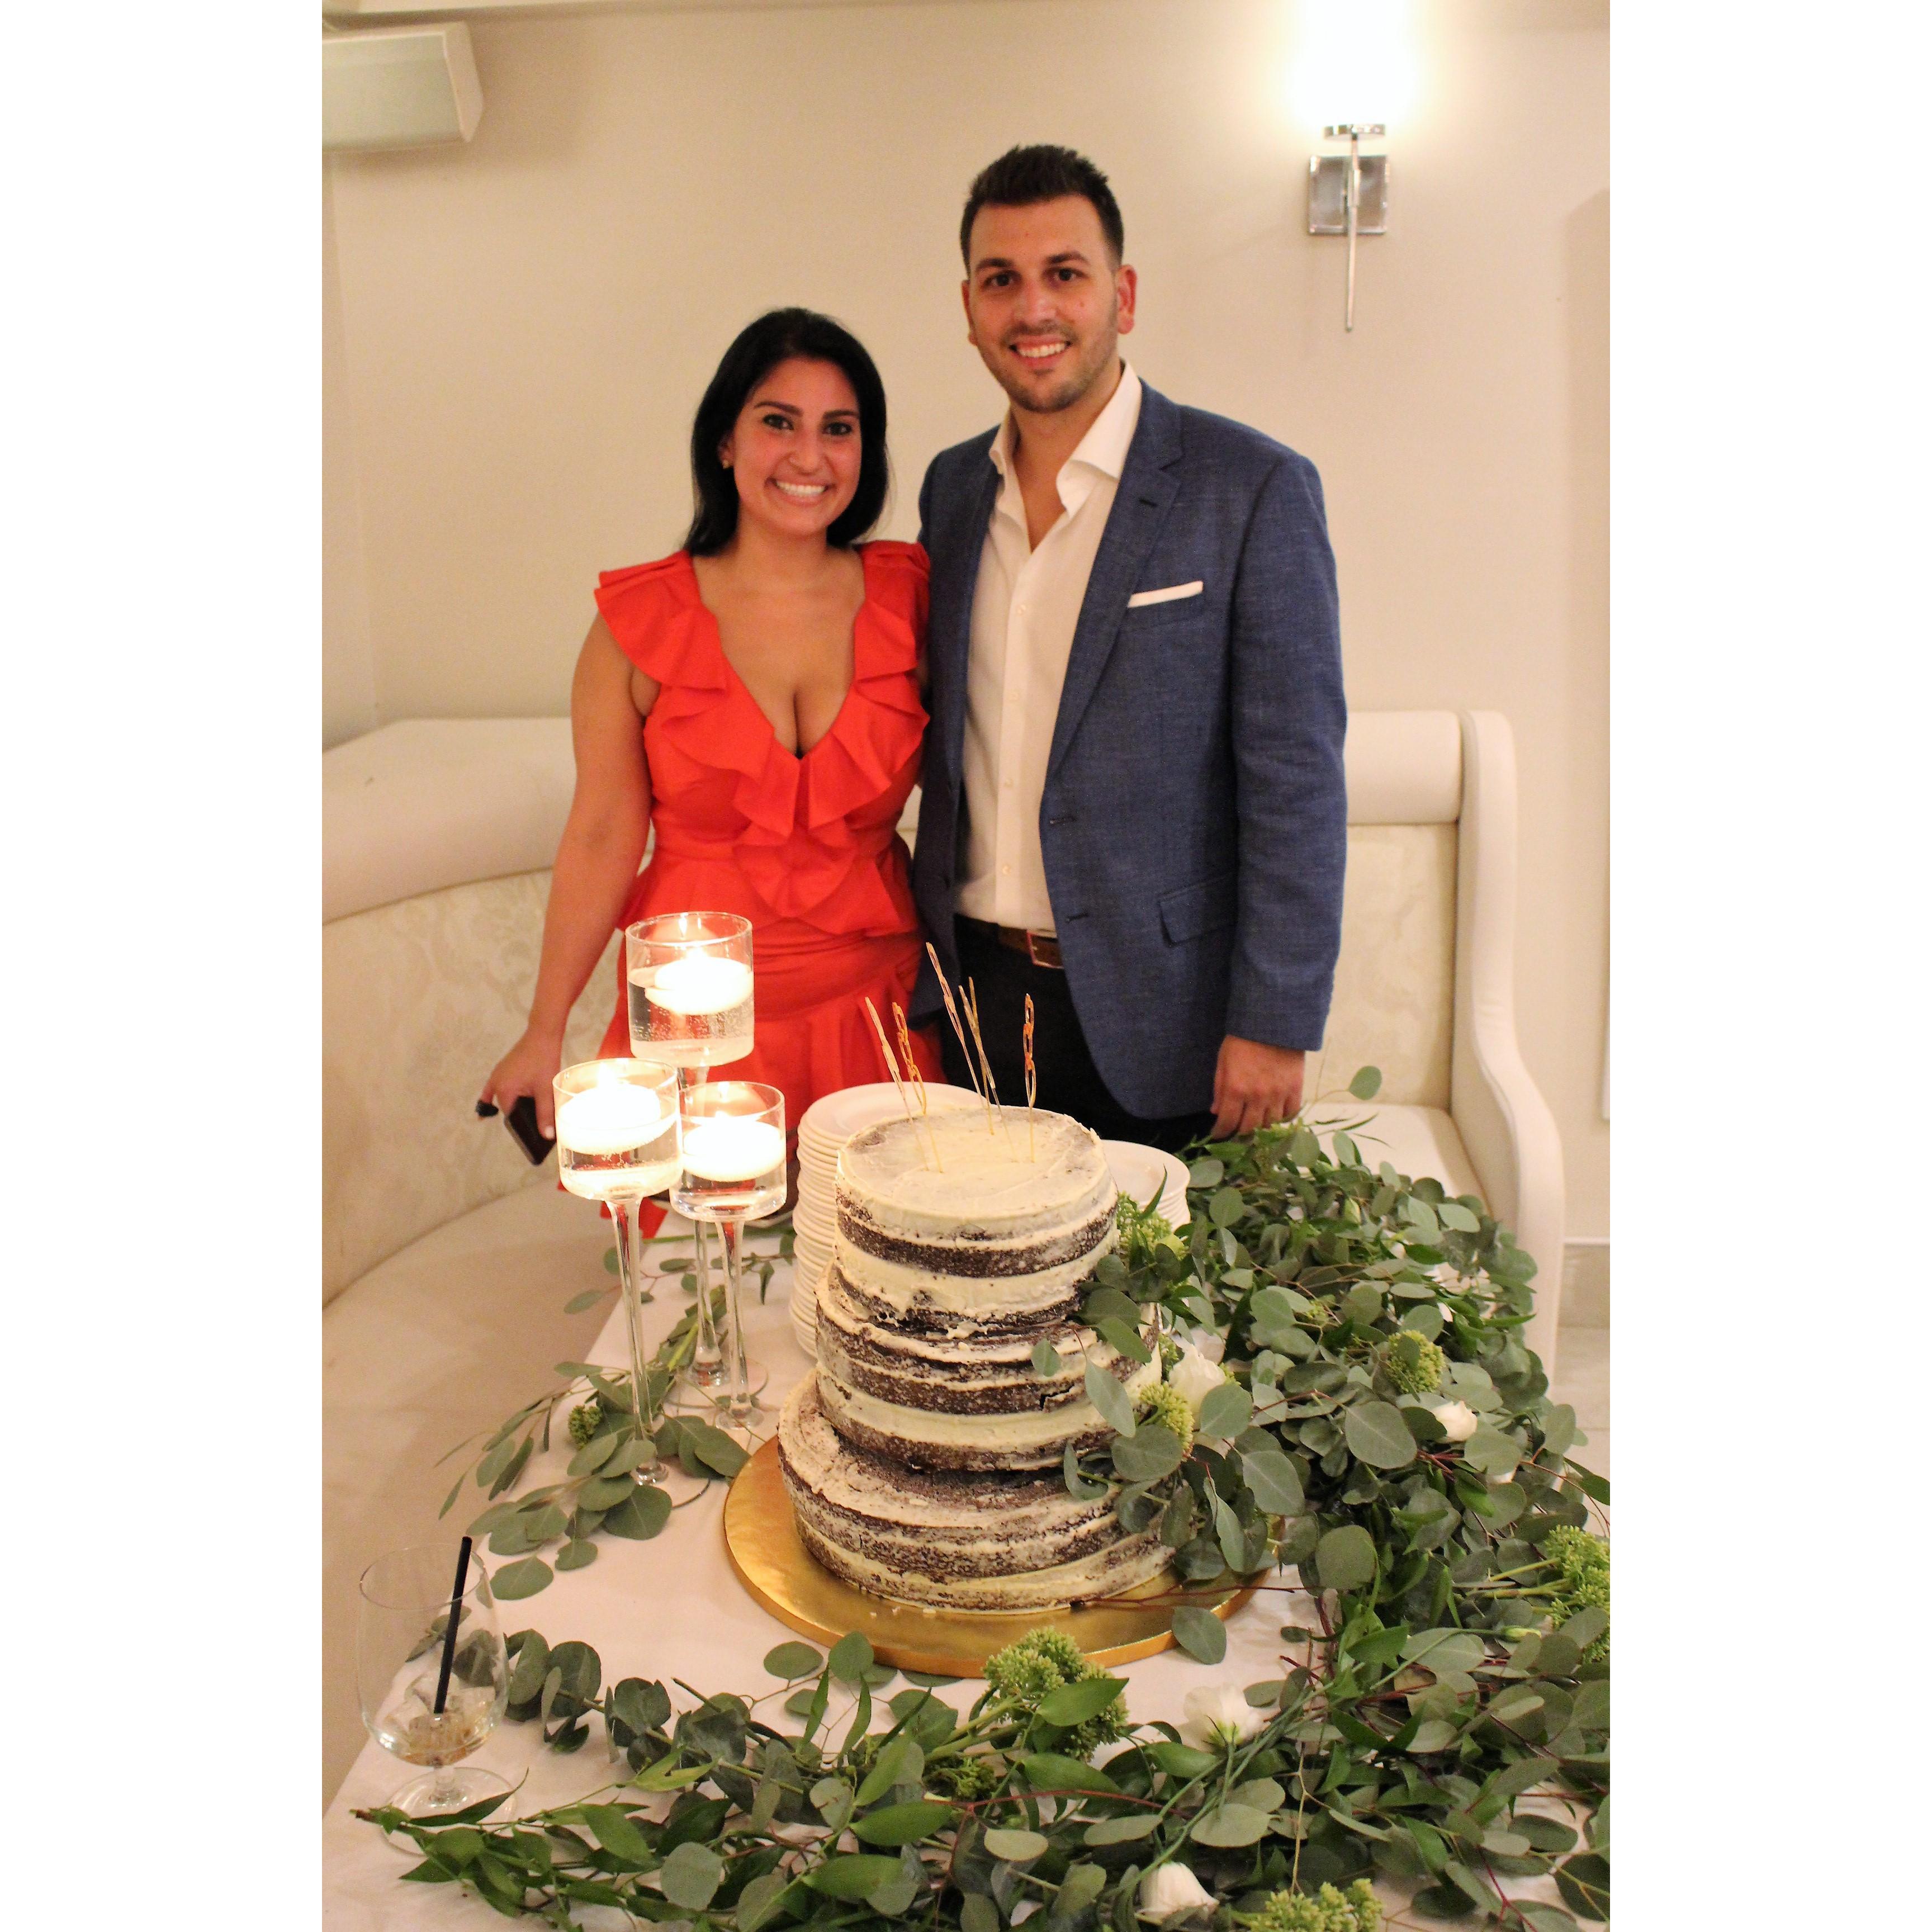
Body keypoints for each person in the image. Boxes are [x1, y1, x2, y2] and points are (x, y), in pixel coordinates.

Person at [911, 145, 1347, 1153]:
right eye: (1001, 280)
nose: (1034, 309)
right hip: (972, 1003)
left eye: (1065, 273)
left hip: (1167, 1018)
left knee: (1160, 1266)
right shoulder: (950, 491)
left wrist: (1274, 1020)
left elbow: (1296, 779)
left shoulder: (1250, 487)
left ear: (1125, 294)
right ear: (969, 308)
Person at [481, 307, 943, 1149]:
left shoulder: (912, 597)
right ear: (725, 441)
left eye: (838, 429)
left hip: (882, 1024)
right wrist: (543, 1030)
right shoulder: (637, 623)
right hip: (696, 1035)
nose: (809, 456)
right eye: (778, 423)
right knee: (708, 1238)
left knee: (889, 1234)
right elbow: (602, 831)